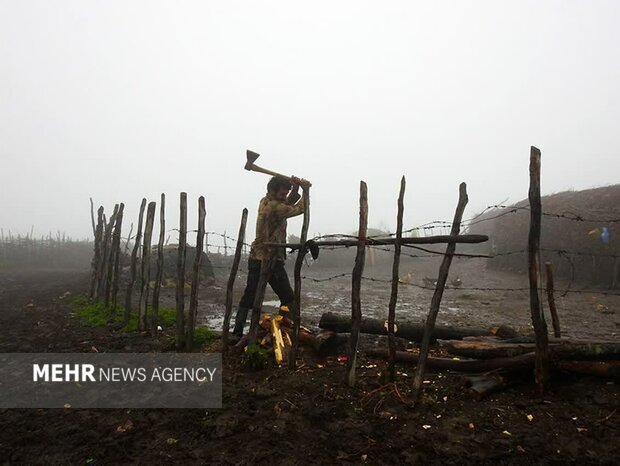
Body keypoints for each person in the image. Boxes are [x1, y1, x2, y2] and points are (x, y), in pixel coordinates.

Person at [232, 175, 309, 337]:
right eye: (282, 193)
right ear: (272, 192)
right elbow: (300, 209)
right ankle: (289, 327)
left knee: (250, 294)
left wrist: (295, 188)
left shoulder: (265, 201)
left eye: (286, 193)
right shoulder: (275, 207)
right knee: (288, 296)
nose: (285, 197)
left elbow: (287, 202)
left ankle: (238, 331)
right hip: (271, 258)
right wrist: (306, 190)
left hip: (256, 257)